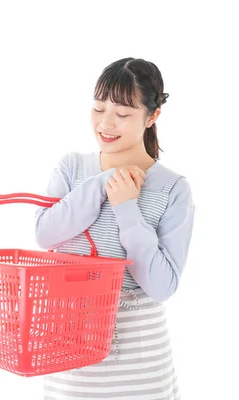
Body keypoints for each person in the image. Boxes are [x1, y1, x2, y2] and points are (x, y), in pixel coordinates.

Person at [34, 57, 195, 399]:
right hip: (70, 358)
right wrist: (103, 183)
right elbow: (46, 234)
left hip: (139, 366)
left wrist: (127, 209)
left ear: (152, 117)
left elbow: (162, 286)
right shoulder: (72, 168)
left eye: (122, 114)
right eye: (98, 108)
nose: (105, 123)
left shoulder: (173, 188)